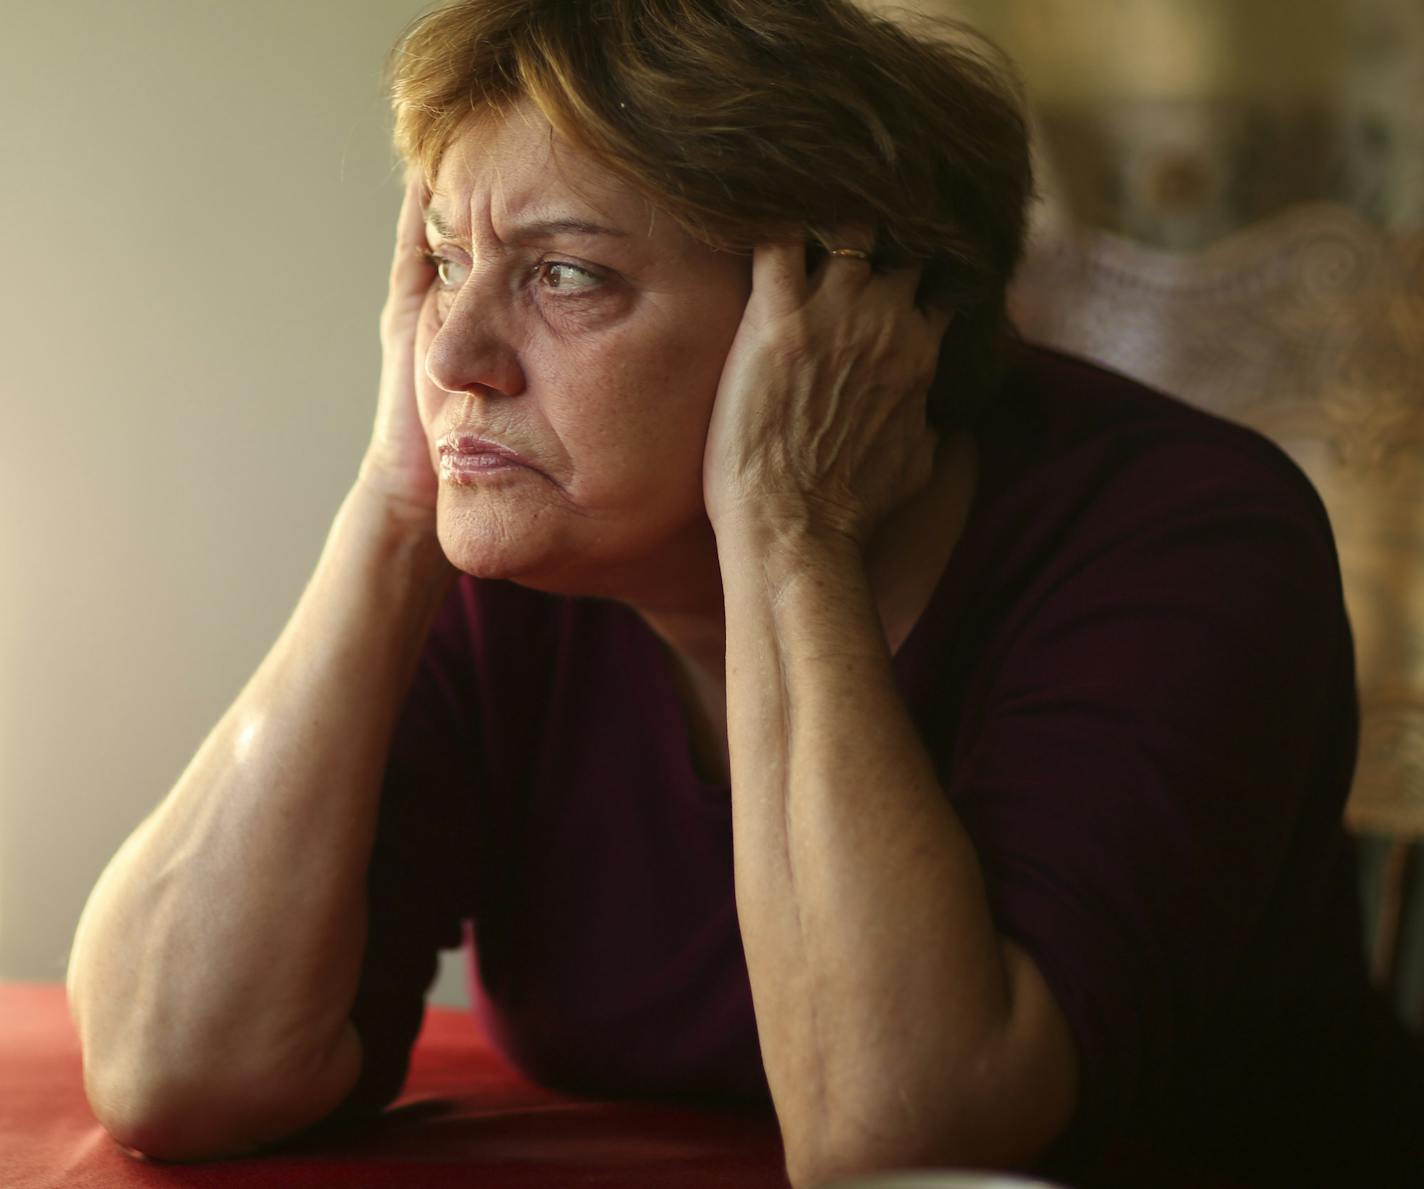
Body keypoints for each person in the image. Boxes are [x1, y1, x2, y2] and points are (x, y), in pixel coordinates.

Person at [66, 0, 1424, 1185]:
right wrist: (396, 500)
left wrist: (787, 522)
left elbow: (905, 1141)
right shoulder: (531, 554)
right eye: (439, 262)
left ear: (845, 311)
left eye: (564, 274)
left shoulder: (1189, 540)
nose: (459, 351)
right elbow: (172, 1070)